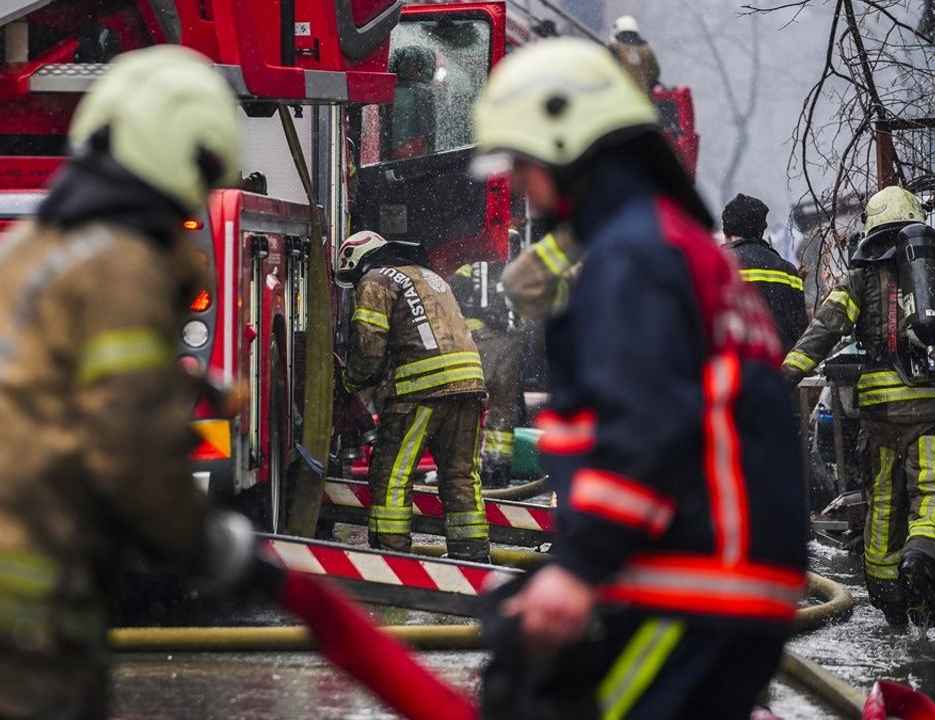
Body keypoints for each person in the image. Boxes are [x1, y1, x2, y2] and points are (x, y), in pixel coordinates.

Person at [0, 46, 256, 720]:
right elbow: (131, 455)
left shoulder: (36, 245)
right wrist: (215, 545)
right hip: (2, 606)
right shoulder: (119, 265)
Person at [472, 39, 807, 718]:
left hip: (693, 580)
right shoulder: (674, 244)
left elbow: (644, 424)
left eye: (525, 164)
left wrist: (578, 568)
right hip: (733, 577)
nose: (523, 186)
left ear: (569, 149)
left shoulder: (634, 256)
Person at [782, 185, 935, 627]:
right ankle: (921, 556)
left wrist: (780, 379)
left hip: (880, 413)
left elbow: (823, 332)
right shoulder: (930, 271)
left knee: (883, 502)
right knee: (930, 490)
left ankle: (891, 602)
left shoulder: (859, 278)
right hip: (928, 407)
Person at [335, 229, 491, 562]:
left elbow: (369, 346)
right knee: (460, 475)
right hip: (469, 385)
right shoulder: (428, 276)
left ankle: (391, 555)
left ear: (358, 261)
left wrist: (348, 383)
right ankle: (473, 555)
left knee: (391, 473)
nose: (356, 283)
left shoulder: (375, 280)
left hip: (421, 389)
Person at [447, 260, 530, 484]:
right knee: (503, 412)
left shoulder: (468, 268)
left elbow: (451, 304)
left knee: (467, 408)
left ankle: (463, 470)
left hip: (475, 347)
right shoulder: (521, 269)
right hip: (509, 349)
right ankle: (497, 469)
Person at [721, 193, 809, 354]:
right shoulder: (787, 270)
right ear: (761, 229)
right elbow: (800, 331)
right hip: (778, 365)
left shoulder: (719, 264)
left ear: (727, 230)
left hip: (730, 364)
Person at [607, 15, 660, 96]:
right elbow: (655, 73)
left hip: (620, 96)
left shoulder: (614, 48)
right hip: (642, 98)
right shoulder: (647, 50)